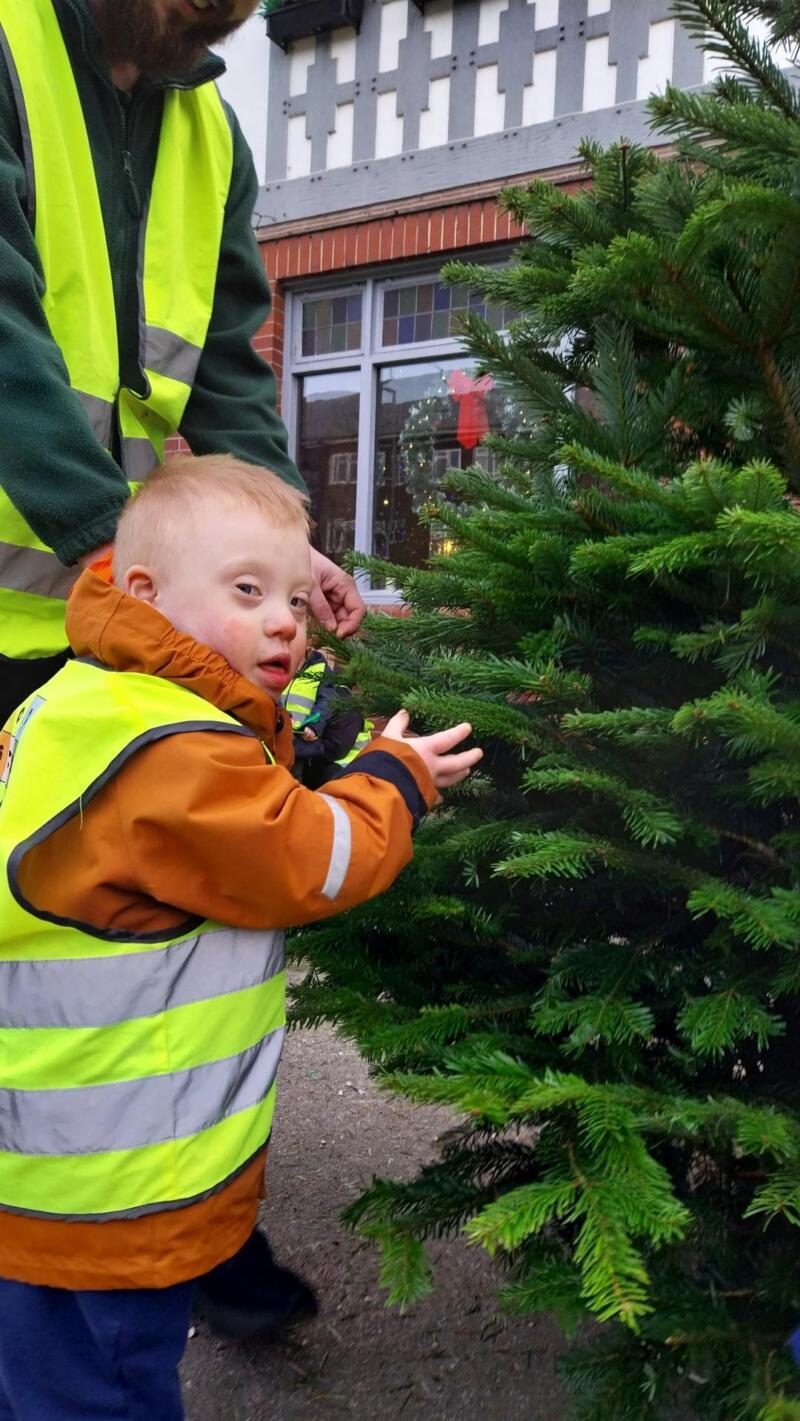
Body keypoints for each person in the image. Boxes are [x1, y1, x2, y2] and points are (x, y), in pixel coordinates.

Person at [0, 0, 365, 1333]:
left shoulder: (208, 122)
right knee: (32, 967)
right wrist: (164, 587)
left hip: (128, 627)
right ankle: (47, 1264)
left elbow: (219, 371)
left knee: (185, 952)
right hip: (84, 615)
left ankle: (186, 1224)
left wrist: (279, 546)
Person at [0, 454, 481, 1420]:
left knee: (40, 1373)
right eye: (248, 590)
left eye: (298, 603)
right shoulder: (174, 745)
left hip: (35, 1160)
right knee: (109, 1392)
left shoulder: (72, 703)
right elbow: (310, 857)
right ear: (144, 590)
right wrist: (393, 777)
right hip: (114, 1188)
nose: (282, 622)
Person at [285, 648, 374, 789]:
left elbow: (334, 748)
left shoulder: (343, 702)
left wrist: (297, 745)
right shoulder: (329, 695)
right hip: (323, 760)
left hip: (342, 770)